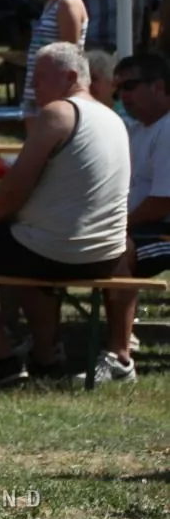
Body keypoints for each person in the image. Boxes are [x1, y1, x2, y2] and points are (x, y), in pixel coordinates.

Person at [0, 43, 129, 386]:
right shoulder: (113, 119)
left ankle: (4, 357)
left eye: (40, 78)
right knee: (27, 252)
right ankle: (46, 355)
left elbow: (15, 187)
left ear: (71, 77)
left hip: (55, 251)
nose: (33, 87)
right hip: (104, 256)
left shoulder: (58, 114)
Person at [108, 53, 170, 383]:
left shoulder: (169, 129)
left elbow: (162, 202)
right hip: (147, 226)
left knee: (116, 251)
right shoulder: (139, 129)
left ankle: (120, 357)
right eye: (117, 90)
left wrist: (116, 226)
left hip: (162, 230)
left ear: (159, 87)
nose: (122, 97)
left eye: (129, 86)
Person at [20, 0, 87, 112]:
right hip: (40, 91)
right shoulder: (52, 2)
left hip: (54, 95)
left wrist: (57, 100)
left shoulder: (67, 3)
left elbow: (68, 55)